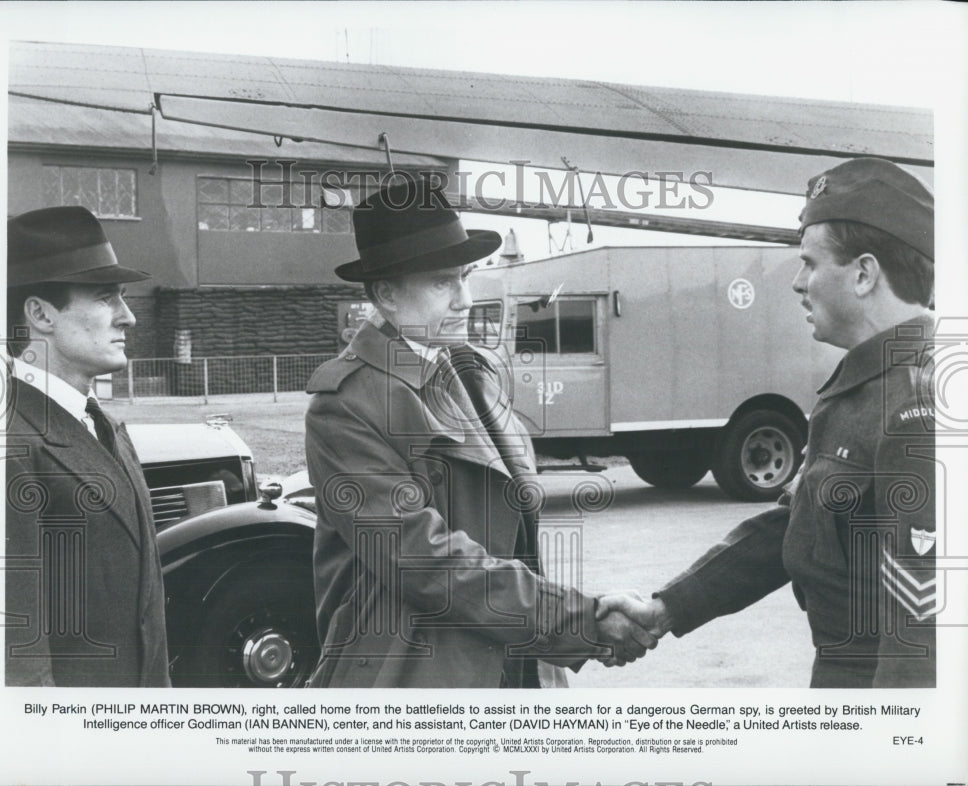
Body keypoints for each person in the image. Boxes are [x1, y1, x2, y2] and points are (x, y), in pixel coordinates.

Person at [304, 175, 656, 688]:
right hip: (416, 673)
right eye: (442, 282)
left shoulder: (471, 371)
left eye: (466, 276)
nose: (465, 300)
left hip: (511, 654)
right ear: (386, 294)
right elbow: (427, 562)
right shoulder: (346, 405)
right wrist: (581, 619)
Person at [600, 157, 936, 688]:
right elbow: (794, 522)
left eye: (810, 264)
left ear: (864, 273)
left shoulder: (920, 401)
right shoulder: (863, 385)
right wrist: (666, 608)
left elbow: (923, 627)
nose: (798, 283)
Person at [4, 206, 170, 687]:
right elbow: (19, 659)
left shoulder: (107, 427)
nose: (130, 317)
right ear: (40, 314)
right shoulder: (9, 446)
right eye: (105, 297)